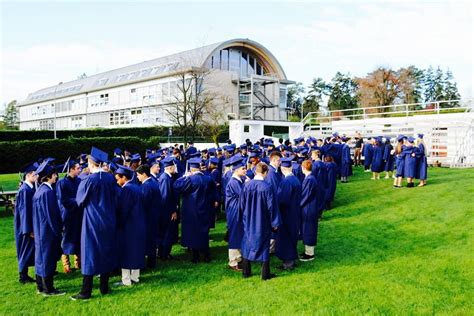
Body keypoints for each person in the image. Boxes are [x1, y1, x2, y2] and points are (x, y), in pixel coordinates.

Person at [71, 147, 117, 300]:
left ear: (91, 164)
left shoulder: (89, 180)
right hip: (109, 220)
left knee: (90, 254)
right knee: (105, 252)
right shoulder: (110, 178)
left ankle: (86, 291)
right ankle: (104, 287)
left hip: (92, 221)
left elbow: (80, 201)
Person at [240, 162, 281, 280]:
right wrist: (275, 222)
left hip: (248, 218)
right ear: (266, 172)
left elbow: (241, 204)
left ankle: (246, 272)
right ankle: (265, 274)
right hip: (262, 220)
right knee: (264, 244)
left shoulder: (247, 186)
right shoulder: (267, 187)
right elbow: (271, 206)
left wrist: (244, 215)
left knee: (247, 242)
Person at [174, 157, 217, 263]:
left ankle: (196, 256)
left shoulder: (190, 179)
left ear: (191, 170)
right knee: (204, 233)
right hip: (205, 209)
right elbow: (214, 190)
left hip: (191, 210)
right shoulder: (208, 179)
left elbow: (176, 186)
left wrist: (184, 177)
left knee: (193, 233)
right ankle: (206, 255)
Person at [32, 161, 65, 296]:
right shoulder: (47, 193)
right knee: (47, 260)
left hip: (41, 231)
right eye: (54, 175)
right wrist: (58, 231)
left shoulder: (40, 191)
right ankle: (48, 289)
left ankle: (40, 286)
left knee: (40, 259)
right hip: (47, 232)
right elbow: (51, 215)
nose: (56, 177)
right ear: (49, 176)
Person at [115, 165, 146, 286]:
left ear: (124, 177)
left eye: (118, 179)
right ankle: (135, 277)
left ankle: (126, 280)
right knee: (136, 250)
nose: (117, 181)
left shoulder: (126, 190)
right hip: (139, 224)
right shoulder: (137, 187)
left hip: (129, 226)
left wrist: (119, 224)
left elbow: (124, 210)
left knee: (126, 252)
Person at [275, 157, 302, 271]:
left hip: (287, 214)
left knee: (287, 238)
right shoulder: (296, 180)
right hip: (295, 212)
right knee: (292, 236)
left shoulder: (286, 182)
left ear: (282, 168)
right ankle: (290, 261)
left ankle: (288, 263)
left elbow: (283, 200)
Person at [56, 160, 82, 274]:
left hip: (78, 215)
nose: (79, 170)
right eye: (77, 168)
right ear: (71, 169)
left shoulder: (80, 181)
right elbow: (63, 200)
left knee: (79, 237)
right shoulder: (62, 183)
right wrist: (77, 201)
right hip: (67, 215)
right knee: (66, 238)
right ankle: (66, 264)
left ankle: (79, 262)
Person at [14, 162, 38, 284]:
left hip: (26, 224)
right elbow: (25, 212)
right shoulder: (25, 190)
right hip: (24, 226)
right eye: (35, 174)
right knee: (24, 250)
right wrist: (29, 230)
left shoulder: (29, 188)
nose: (37, 176)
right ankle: (23, 276)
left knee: (27, 250)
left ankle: (24, 274)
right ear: (28, 175)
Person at [136, 164, 161, 269]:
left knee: (148, 240)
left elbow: (143, 203)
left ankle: (149, 264)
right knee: (152, 240)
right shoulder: (154, 183)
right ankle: (152, 262)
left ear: (144, 174)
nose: (137, 177)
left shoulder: (146, 186)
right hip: (154, 215)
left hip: (147, 217)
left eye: (138, 175)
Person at [224, 156, 246, 271]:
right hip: (234, 212)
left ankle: (238, 258)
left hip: (237, 210)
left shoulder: (238, 180)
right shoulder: (234, 182)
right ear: (236, 170)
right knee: (234, 235)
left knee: (238, 234)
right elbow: (243, 195)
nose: (245, 170)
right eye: (243, 168)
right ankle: (233, 261)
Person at [300, 160, 322, 261]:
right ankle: (307, 250)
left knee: (309, 230)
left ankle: (309, 254)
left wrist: (298, 204)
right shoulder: (310, 178)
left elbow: (306, 195)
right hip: (310, 207)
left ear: (304, 168)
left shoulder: (309, 179)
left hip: (309, 208)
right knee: (307, 230)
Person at [157, 156, 179, 260]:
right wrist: (173, 211)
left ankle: (163, 253)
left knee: (166, 232)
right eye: (174, 166)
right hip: (167, 211)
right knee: (167, 232)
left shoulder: (167, 177)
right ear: (169, 168)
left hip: (166, 210)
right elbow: (165, 197)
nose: (175, 168)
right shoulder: (165, 178)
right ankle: (164, 254)